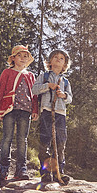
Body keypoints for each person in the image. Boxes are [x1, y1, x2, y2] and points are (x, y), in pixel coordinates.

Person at [0, 45, 39, 181]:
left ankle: (21, 169)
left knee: (22, 140)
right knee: (7, 138)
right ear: (13, 58)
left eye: (25, 56)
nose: (22, 58)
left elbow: (34, 94)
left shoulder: (31, 75)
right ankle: (3, 168)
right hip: (9, 109)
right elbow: (1, 90)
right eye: (19, 55)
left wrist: (35, 109)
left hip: (25, 110)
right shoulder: (7, 72)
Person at [31, 49, 72, 183]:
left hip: (60, 113)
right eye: (56, 57)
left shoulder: (65, 81)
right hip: (46, 112)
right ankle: (45, 172)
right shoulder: (44, 76)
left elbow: (70, 98)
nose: (58, 60)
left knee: (60, 143)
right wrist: (48, 86)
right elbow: (34, 90)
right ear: (50, 61)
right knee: (45, 141)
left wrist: (64, 95)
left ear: (65, 64)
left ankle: (59, 172)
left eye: (62, 59)